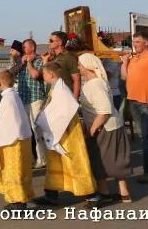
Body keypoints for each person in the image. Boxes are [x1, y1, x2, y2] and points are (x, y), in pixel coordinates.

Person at [34, 61, 96, 206]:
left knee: (75, 163)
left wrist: (44, 120)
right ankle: (51, 195)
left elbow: (64, 112)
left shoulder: (62, 90)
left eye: (44, 74)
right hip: (57, 133)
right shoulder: (55, 87)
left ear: (50, 74)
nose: (43, 76)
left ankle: (92, 195)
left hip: (68, 133)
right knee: (55, 164)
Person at [77, 54, 132, 206]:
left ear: (88, 66)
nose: (79, 67)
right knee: (115, 159)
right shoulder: (97, 82)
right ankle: (124, 193)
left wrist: (93, 129)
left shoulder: (94, 84)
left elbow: (104, 111)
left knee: (100, 160)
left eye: (80, 64)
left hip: (104, 126)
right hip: (110, 125)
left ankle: (103, 192)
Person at [120, 29, 148, 183]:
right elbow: (124, 77)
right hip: (134, 101)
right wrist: (125, 62)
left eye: (138, 42)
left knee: (147, 137)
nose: (135, 45)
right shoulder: (134, 58)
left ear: (146, 42)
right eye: (134, 42)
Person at [0, 69, 35, 211]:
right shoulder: (14, 96)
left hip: (13, 143)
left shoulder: (7, 99)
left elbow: (7, 124)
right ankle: (17, 201)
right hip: (21, 139)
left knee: (13, 172)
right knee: (20, 172)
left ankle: (18, 204)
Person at [9, 38, 47, 169]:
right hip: (24, 99)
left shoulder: (39, 61)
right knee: (26, 131)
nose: (23, 50)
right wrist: (22, 63)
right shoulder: (22, 61)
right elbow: (10, 73)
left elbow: (36, 75)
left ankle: (42, 159)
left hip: (36, 99)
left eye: (25, 48)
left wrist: (29, 63)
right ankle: (30, 158)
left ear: (32, 48)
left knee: (37, 130)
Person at [41, 31, 81, 100]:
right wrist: (45, 60)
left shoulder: (69, 57)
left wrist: (75, 100)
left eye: (51, 40)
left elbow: (77, 80)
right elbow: (47, 75)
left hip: (65, 97)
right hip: (52, 96)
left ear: (60, 42)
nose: (49, 42)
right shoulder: (53, 57)